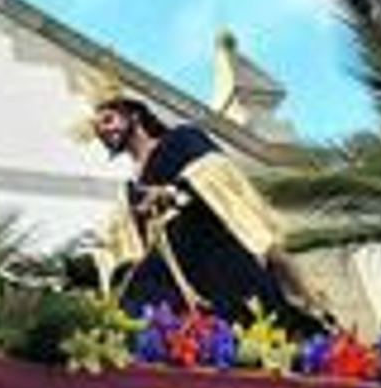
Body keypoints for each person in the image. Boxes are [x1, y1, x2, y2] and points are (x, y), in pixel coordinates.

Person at [90, 95, 328, 335]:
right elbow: (133, 237)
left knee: (257, 314)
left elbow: (218, 171)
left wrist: (172, 192)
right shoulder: (132, 184)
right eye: (99, 130)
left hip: (211, 241)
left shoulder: (181, 139)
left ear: (133, 115)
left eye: (108, 120)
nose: (104, 131)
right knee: (136, 299)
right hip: (175, 264)